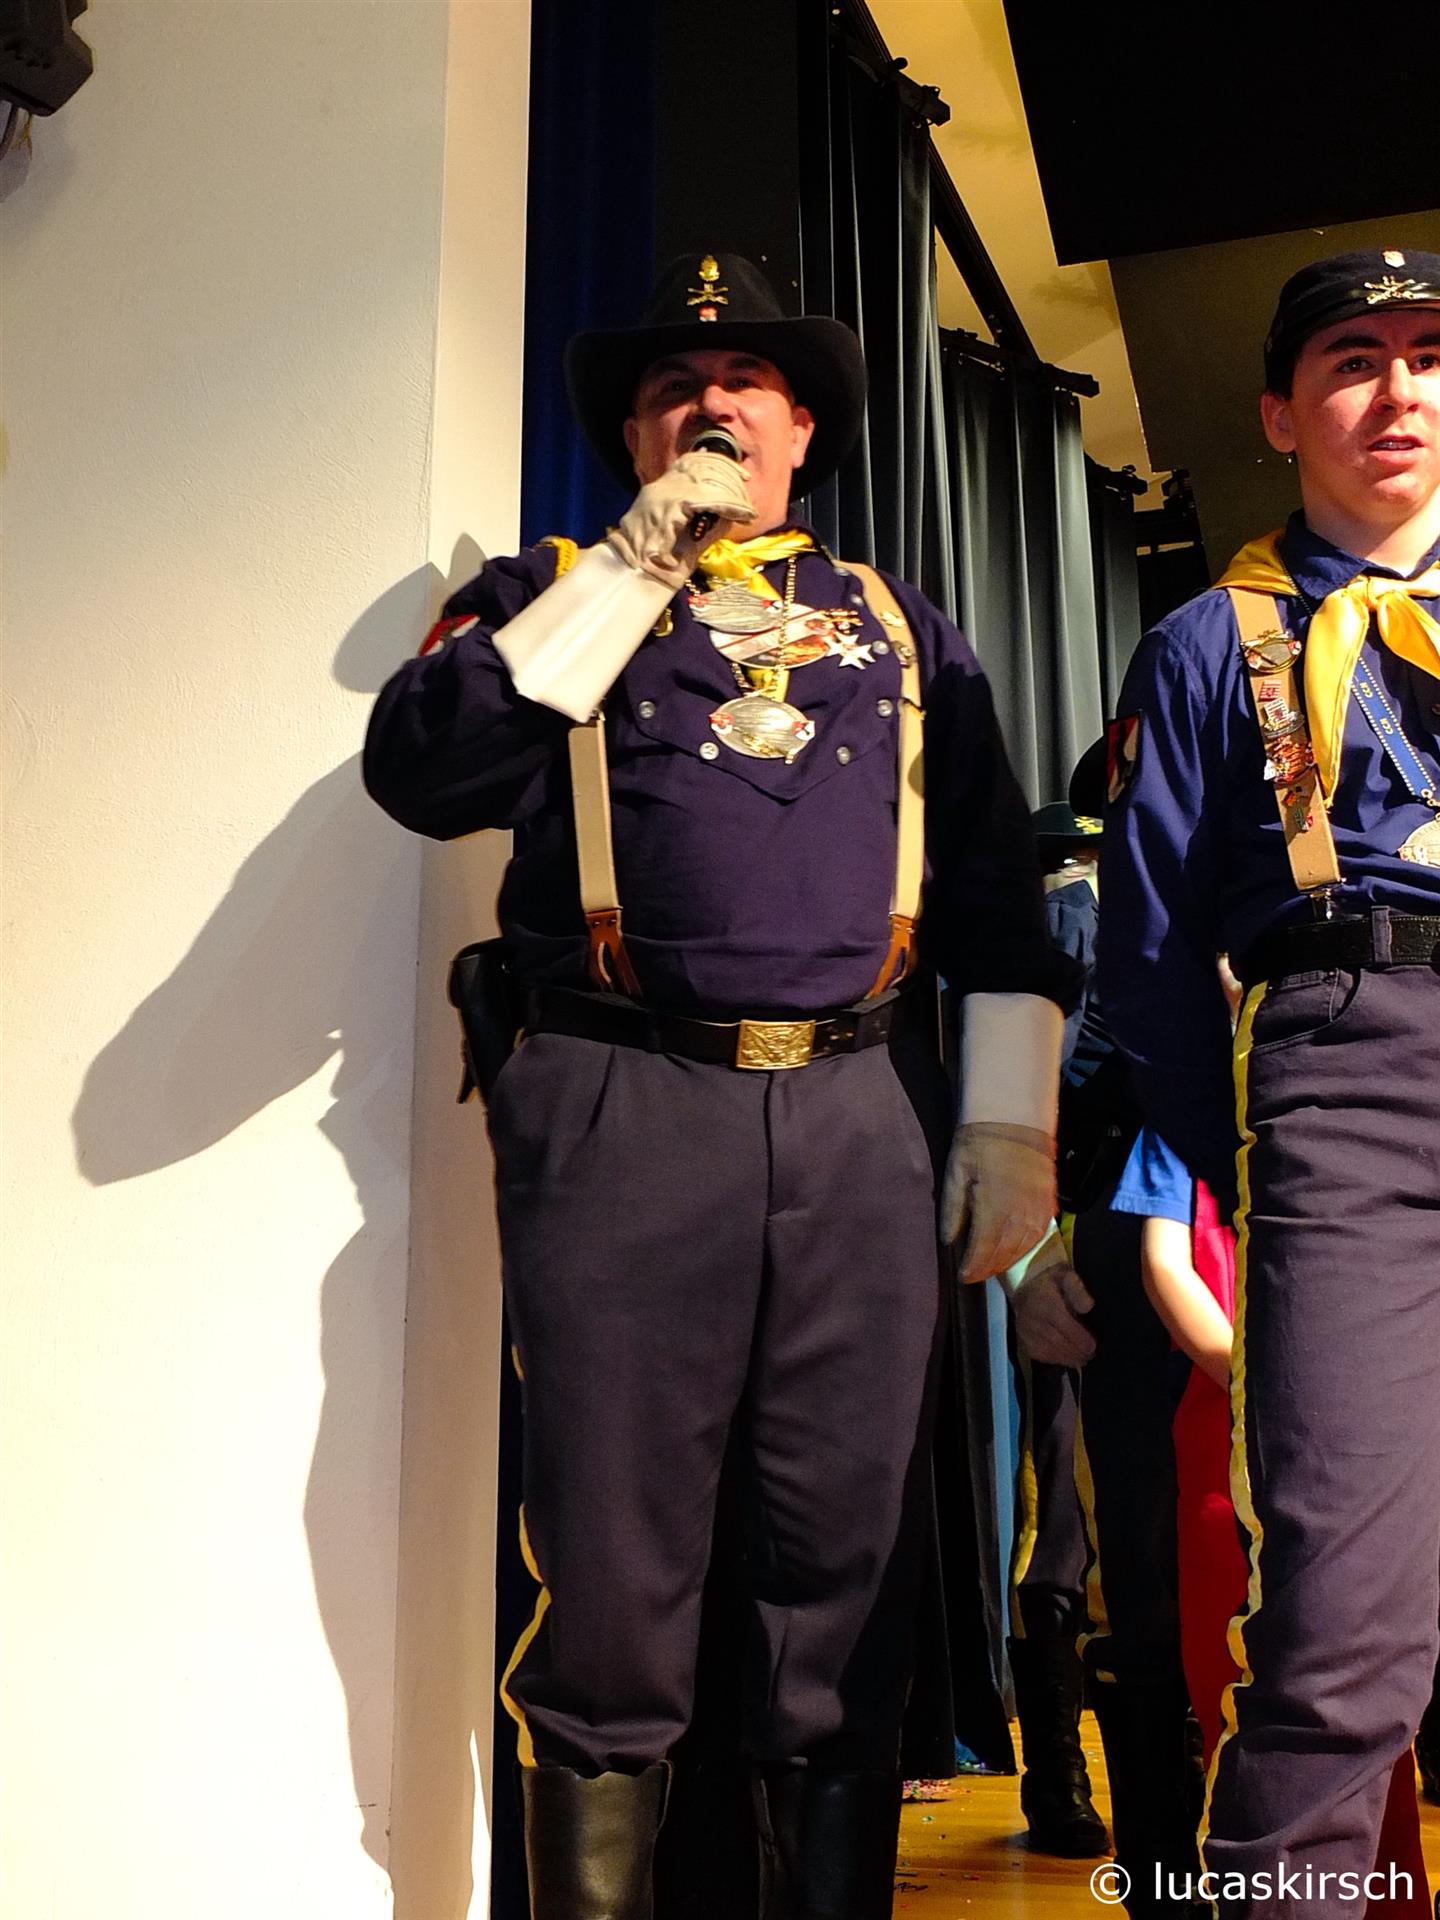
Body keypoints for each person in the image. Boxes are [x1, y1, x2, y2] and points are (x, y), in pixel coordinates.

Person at [364, 252, 1079, 1919]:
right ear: (631, 435)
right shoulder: (553, 594)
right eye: (675, 388)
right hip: (628, 1104)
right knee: (611, 1577)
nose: (711, 405)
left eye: (747, 382)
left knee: (841, 1577)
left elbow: (994, 890)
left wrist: (1008, 1118)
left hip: (858, 1116)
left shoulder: (902, 625)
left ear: (803, 429)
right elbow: (425, 768)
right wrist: (633, 563)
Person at [1098, 248, 1440, 1917]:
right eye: (1355, 358)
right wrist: (1249, 1165)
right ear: (1283, 413)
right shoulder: (1195, 647)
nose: (1401, 389)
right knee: (1341, 1626)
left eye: (1431, 354)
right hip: (1346, 1074)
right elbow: (1151, 963)